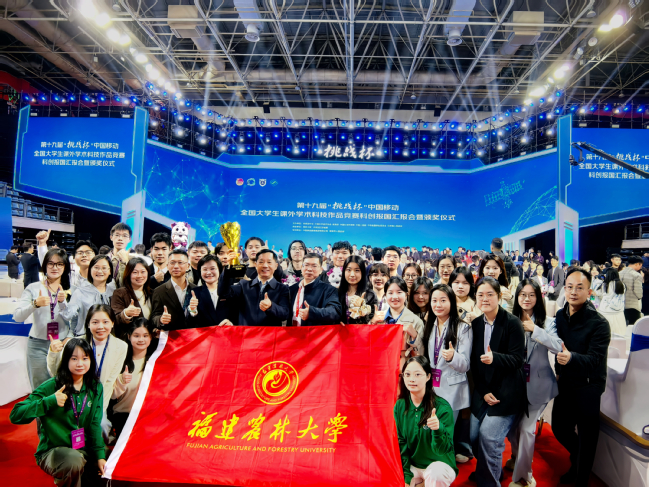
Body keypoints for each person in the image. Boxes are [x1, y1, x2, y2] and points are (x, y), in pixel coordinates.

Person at [10, 338, 106, 485]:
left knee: (110, 460)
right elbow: (15, 415)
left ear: (91, 360)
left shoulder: (95, 386)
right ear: (66, 360)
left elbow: (94, 424)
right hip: (53, 450)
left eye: (85, 358)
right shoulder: (51, 386)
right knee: (73, 461)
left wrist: (100, 456)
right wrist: (49, 402)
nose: (80, 363)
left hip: (82, 448)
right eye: (74, 358)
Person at [552, 268, 610, 487]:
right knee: (559, 428)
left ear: (589, 292)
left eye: (579, 288)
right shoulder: (560, 315)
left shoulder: (599, 323)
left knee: (587, 439)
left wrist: (571, 358)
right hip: (566, 381)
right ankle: (576, 462)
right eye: (569, 287)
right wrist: (559, 371)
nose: (573, 292)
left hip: (588, 385)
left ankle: (581, 478)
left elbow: (595, 359)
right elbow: (558, 347)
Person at [469, 277, 525, 487]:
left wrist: (496, 358)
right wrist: (483, 391)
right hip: (484, 390)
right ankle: (491, 470)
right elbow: (474, 364)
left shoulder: (512, 323)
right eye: (480, 295)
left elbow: (518, 360)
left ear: (499, 297)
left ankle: (489, 481)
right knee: (473, 436)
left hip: (507, 392)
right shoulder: (476, 324)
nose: (484, 299)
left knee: (489, 437)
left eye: (490, 294)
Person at [506, 279, 563, 487]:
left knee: (526, 429)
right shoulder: (510, 320)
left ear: (538, 297)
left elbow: (558, 347)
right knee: (512, 428)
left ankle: (524, 477)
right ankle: (516, 457)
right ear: (517, 296)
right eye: (523, 294)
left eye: (531, 295)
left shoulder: (548, 322)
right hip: (515, 385)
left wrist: (536, 330)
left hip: (539, 385)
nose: (527, 299)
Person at [48, 304, 128, 417]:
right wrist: (53, 353)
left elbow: (109, 382)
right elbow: (57, 373)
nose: (100, 327)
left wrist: (98, 411)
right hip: (73, 403)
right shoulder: (75, 343)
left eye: (105, 322)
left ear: (112, 323)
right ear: (88, 324)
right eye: (95, 322)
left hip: (99, 405)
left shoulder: (121, 346)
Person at [394, 355, 458, 487]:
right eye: (407, 374)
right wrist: (407, 478)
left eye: (418, 374)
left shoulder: (442, 408)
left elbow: (443, 450)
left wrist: (438, 429)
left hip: (439, 465)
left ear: (428, 377)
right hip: (413, 466)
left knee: (436, 474)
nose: (412, 379)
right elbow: (401, 443)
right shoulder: (400, 406)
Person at [13, 248, 71, 390]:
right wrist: (34, 304)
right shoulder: (33, 288)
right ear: (45, 266)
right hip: (38, 346)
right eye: (50, 263)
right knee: (40, 389)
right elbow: (18, 317)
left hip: (62, 344)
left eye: (59, 264)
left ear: (65, 267)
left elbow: (75, 320)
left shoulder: (71, 290)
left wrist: (63, 303)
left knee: (63, 388)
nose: (54, 267)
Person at [422, 285, 472, 423]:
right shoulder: (430, 325)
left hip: (452, 390)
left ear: (451, 302)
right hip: (432, 388)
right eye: (434, 300)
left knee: (445, 431)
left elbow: (465, 365)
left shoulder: (463, 328)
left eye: (443, 300)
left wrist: (453, 357)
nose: (438, 305)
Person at [219, 249, 291, 327]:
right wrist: (228, 269)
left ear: (276, 266)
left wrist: (271, 306)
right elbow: (223, 293)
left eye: (269, 262)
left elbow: (285, 314)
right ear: (255, 265)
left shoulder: (282, 288)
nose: (265, 265)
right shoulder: (243, 285)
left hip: (270, 334)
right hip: (246, 333)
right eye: (261, 262)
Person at [110, 318, 155, 438]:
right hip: (123, 416)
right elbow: (112, 395)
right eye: (136, 335)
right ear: (129, 336)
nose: (141, 339)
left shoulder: (155, 362)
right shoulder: (120, 362)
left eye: (145, 335)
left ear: (151, 337)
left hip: (148, 417)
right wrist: (121, 381)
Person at [60, 255, 116, 337]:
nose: (100, 271)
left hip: (108, 337)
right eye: (96, 267)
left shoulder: (114, 292)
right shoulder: (80, 291)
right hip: (85, 337)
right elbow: (68, 315)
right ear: (90, 270)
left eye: (104, 268)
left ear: (110, 271)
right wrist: (61, 302)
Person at [289, 253, 342, 326]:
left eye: (314, 266)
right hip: (292, 332)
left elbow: (334, 312)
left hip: (315, 332)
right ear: (301, 267)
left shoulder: (329, 290)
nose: (309, 269)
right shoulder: (292, 289)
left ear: (321, 270)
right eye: (306, 265)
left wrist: (312, 313)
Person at [150, 249, 198, 331]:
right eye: (172, 263)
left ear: (188, 266)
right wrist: (161, 319)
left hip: (191, 335)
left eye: (180, 262)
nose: (176, 266)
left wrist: (193, 311)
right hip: (170, 335)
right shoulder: (159, 291)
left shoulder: (196, 290)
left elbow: (202, 318)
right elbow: (154, 317)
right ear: (167, 266)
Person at [384, 277, 424, 366]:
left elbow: (421, 356)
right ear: (385, 295)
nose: (395, 297)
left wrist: (415, 336)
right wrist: (372, 323)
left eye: (399, 292)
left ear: (406, 295)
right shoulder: (379, 320)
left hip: (404, 370)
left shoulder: (416, 321)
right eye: (390, 293)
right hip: (382, 369)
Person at [186, 254, 233, 328]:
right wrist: (193, 309)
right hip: (205, 334)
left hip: (228, 333)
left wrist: (231, 323)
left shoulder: (231, 290)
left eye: (212, 268)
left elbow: (239, 315)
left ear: (219, 270)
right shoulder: (195, 292)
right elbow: (190, 323)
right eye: (205, 269)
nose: (208, 272)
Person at [111, 257, 152, 338]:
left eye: (143, 272)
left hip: (150, 339)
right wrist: (125, 314)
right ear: (128, 274)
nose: (139, 275)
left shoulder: (152, 293)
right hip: (129, 340)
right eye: (135, 272)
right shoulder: (120, 293)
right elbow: (113, 319)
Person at [337, 255, 377, 324]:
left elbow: (372, 320)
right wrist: (337, 322)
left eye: (357, 270)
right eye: (349, 270)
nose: (352, 274)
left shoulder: (370, 295)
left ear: (362, 272)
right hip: (340, 330)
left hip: (361, 330)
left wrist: (362, 310)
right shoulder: (337, 293)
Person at [596, 267, 627, 336]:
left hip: (605, 311)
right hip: (618, 312)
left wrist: (599, 280)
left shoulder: (605, 284)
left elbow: (598, 293)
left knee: (606, 333)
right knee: (619, 333)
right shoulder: (621, 284)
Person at [107, 222, 133, 288]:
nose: (120, 238)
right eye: (117, 235)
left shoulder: (133, 260)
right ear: (111, 237)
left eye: (125, 236)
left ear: (129, 239)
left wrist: (125, 262)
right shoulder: (104, 258)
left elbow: (129, 284)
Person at [619, 255, 644, 325]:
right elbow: (638, 293)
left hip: (621, 305)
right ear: (637, 264)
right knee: (633, 326)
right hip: (633, 305)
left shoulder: (619, 273)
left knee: (623, 325)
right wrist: (640, 296)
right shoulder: (637, 275)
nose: (640, 267)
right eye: (640, 265)